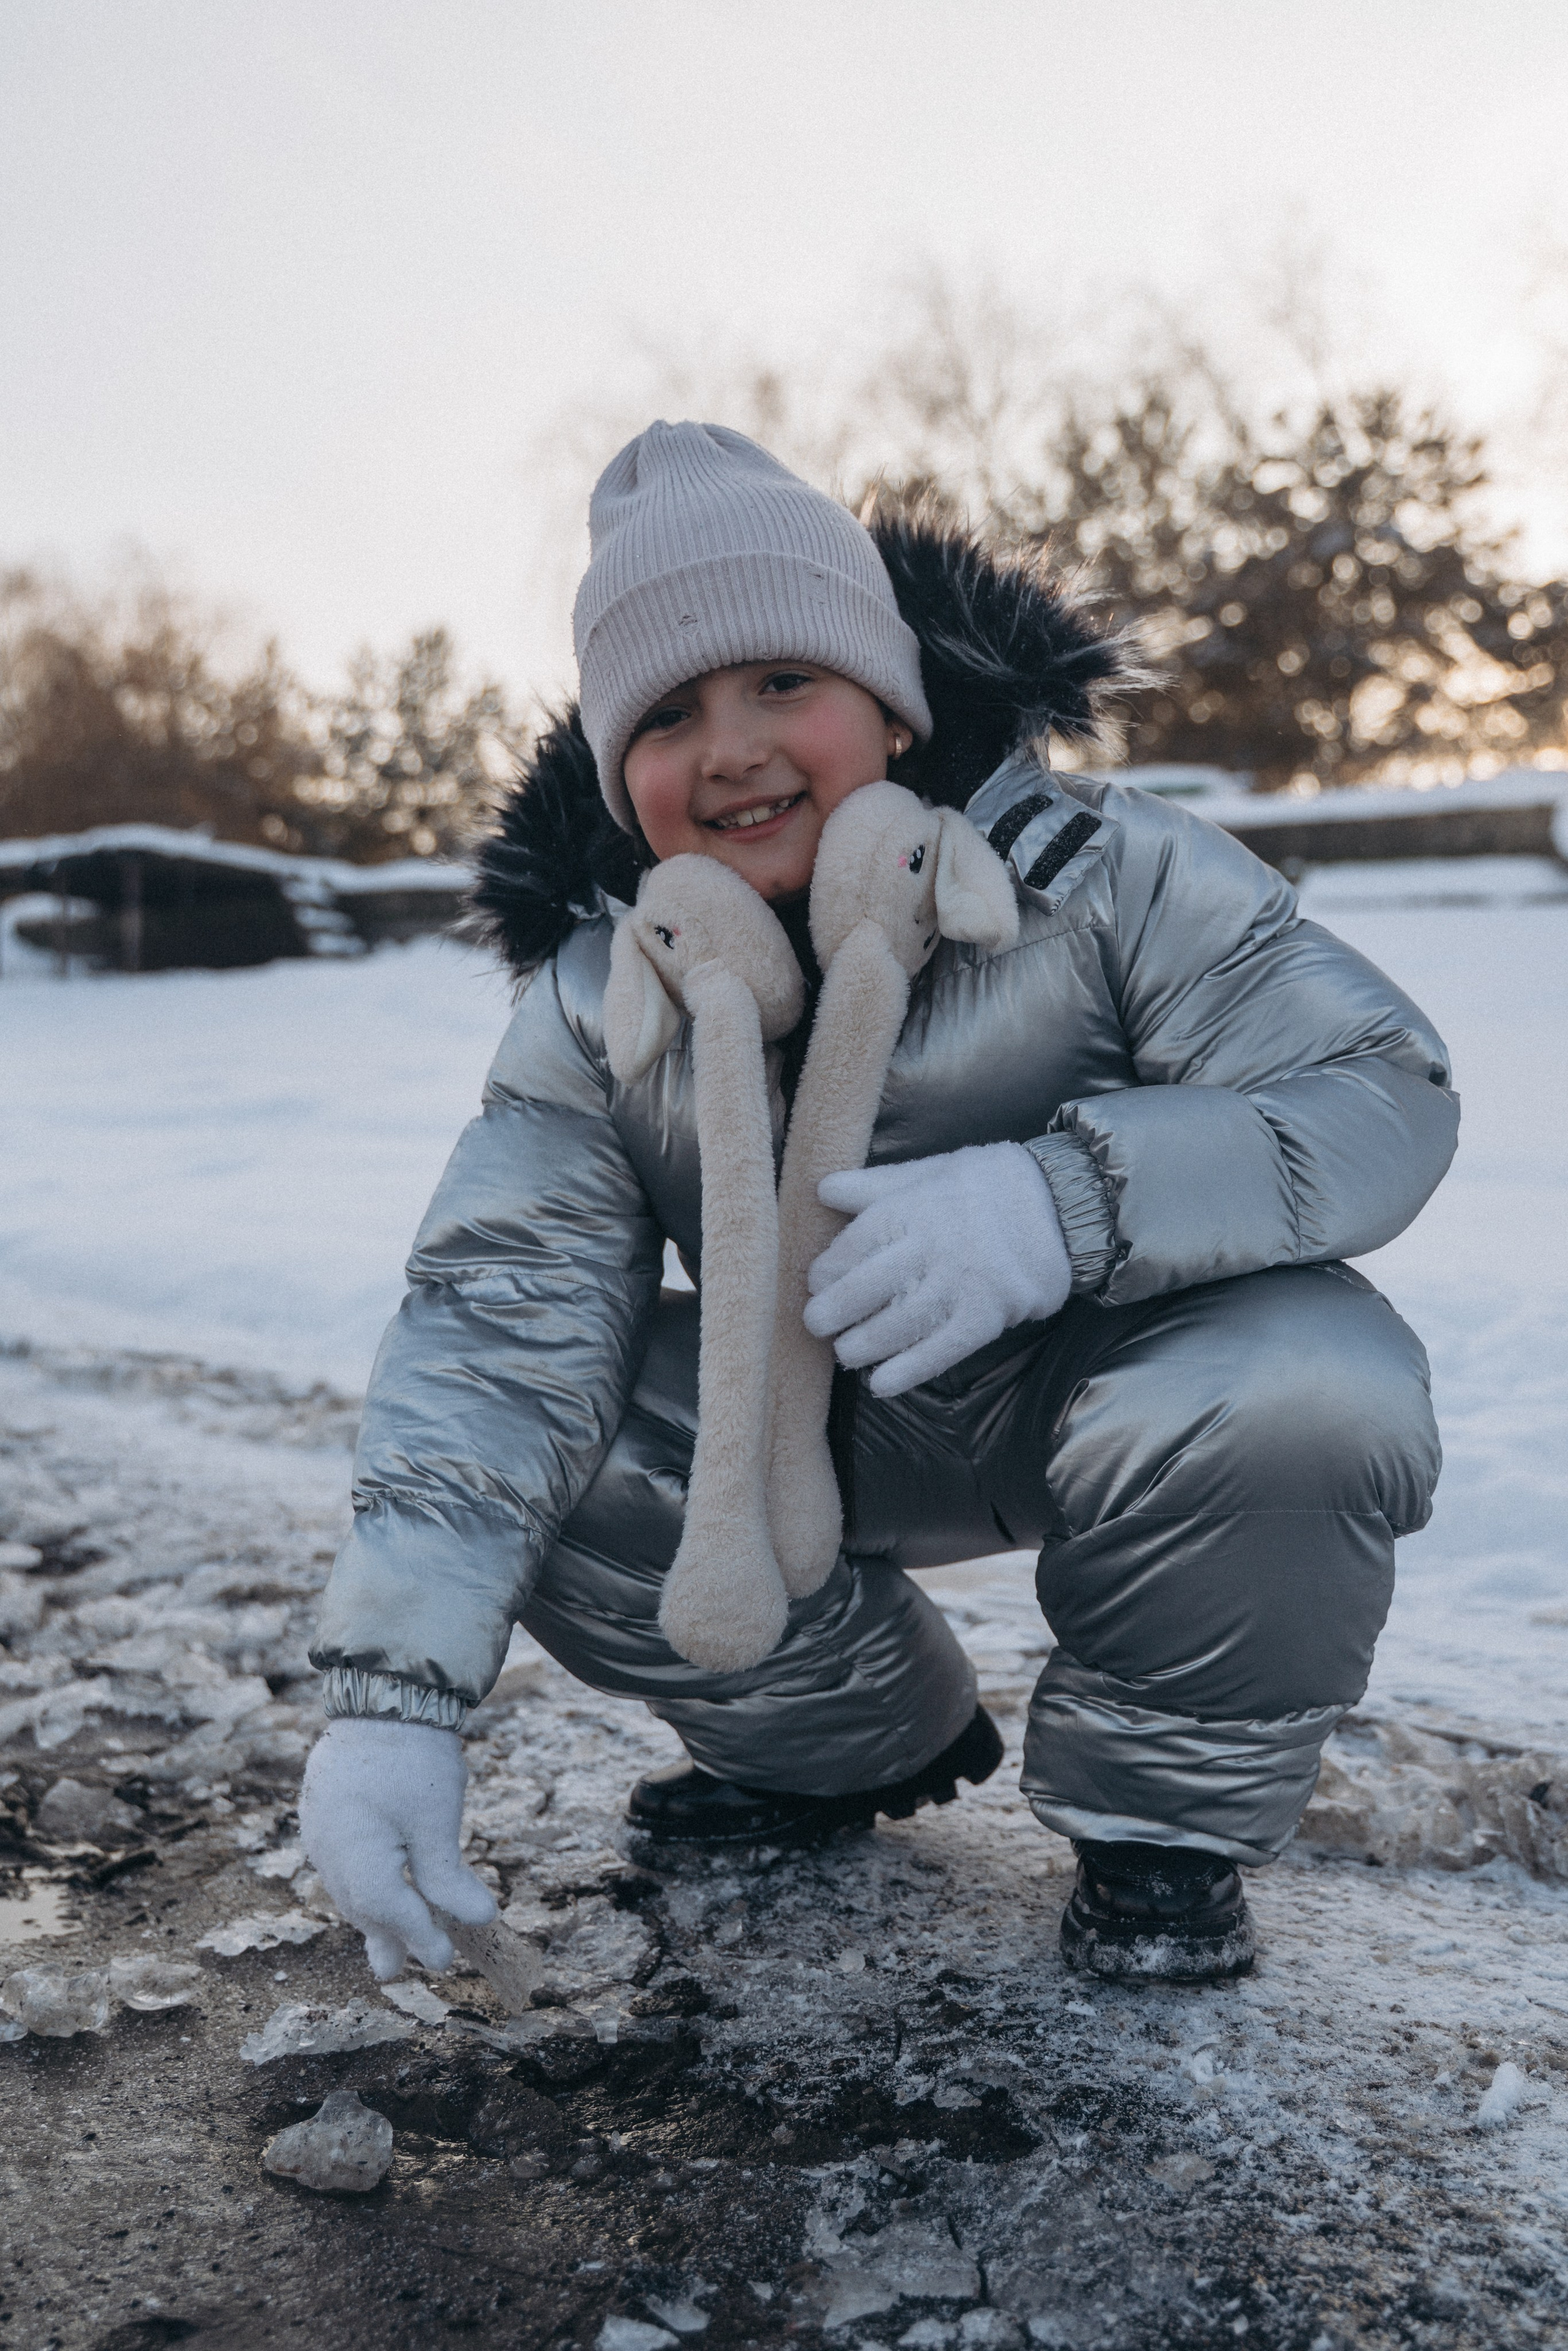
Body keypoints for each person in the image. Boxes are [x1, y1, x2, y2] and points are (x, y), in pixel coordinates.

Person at [298, 421, 1454, 1985]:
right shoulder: (598, 1001)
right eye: (666, 714)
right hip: (812, 1438)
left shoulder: (1101, 879)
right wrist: (393, 1698)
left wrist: (1061, 1201)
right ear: (614, 773)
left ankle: (1158, 1826)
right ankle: (838, 1743)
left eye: (785, 683)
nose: (731, 749)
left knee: (1310, 1379)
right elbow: (496, 1323)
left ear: (889, 707)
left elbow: (1373, 1087)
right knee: (565, 1450)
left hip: (1115, 1383)